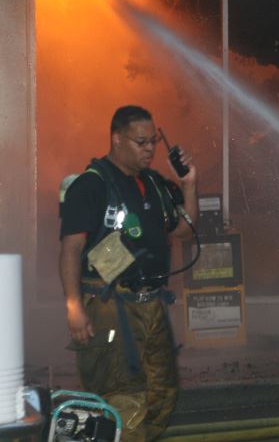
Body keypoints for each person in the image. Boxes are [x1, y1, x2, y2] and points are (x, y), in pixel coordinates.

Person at [59, 105, 198, 441]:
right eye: (140, 142)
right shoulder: (91, 185)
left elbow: (184, 231)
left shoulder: (154, 184)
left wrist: (189, 183)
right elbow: (71, 250)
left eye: (153, 141)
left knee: (162, 394)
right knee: (124, 400)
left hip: (151, 305)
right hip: (109, 307)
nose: (149, 149)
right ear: (116, 139)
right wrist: (74, 308)